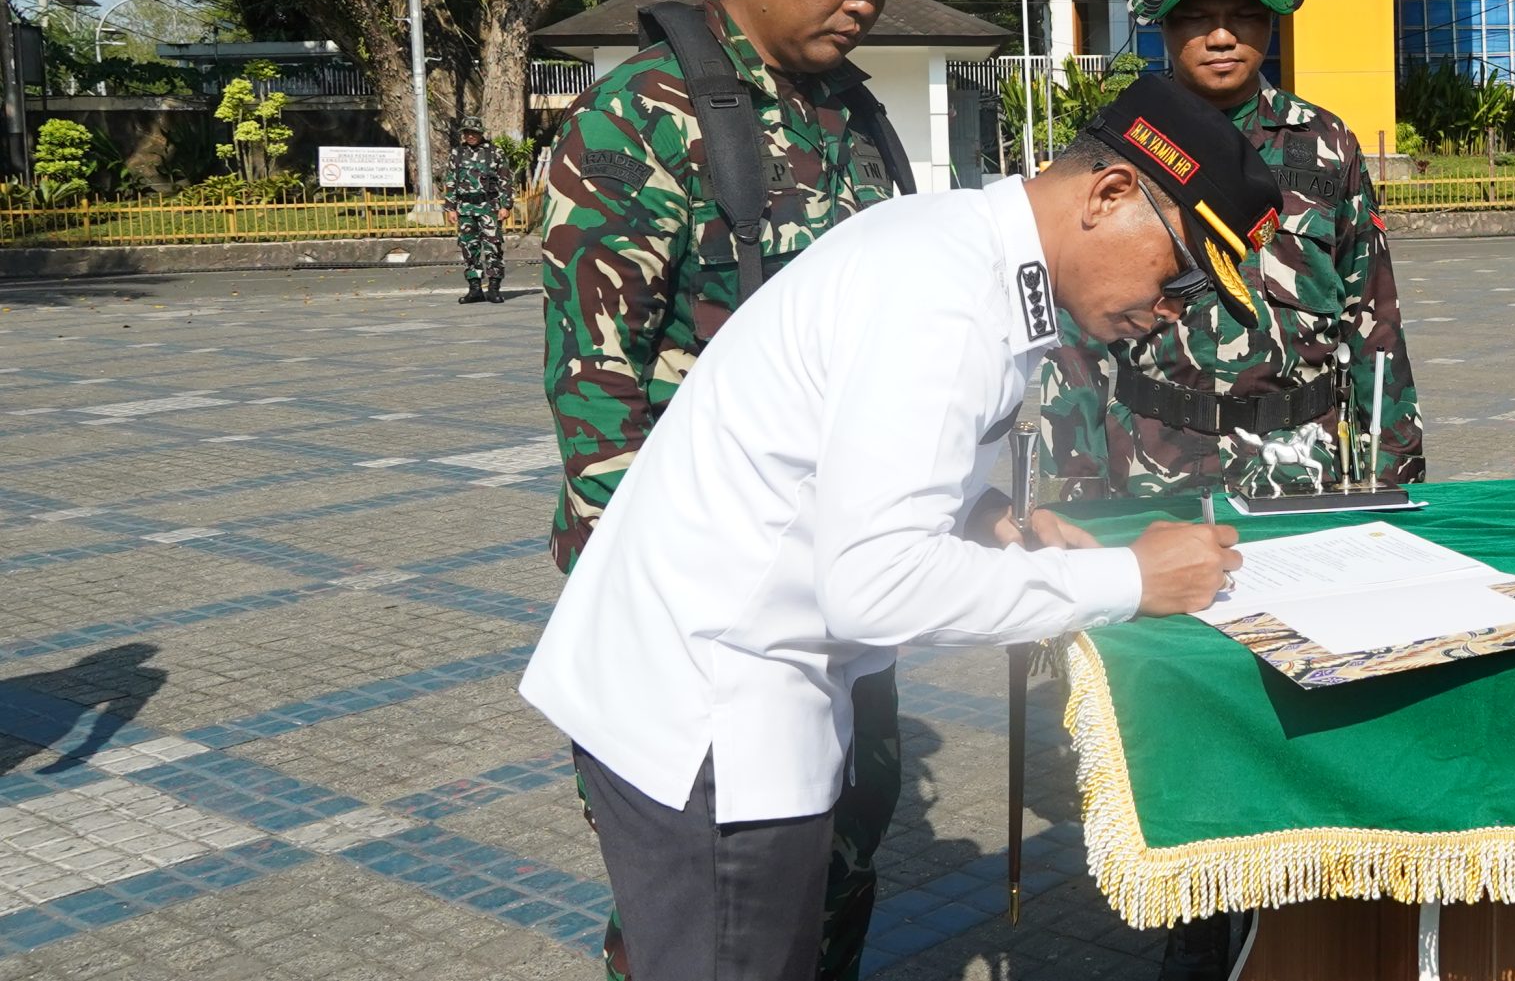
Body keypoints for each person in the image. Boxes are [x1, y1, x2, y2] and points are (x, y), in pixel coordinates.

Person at [522, 75, 1279, 981]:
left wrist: (982, 513)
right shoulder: (948, 297)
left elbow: (836, 449)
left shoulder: (957, 250)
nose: (1173, 309)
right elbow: (876, 585)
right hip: (715, 718)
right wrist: (1131, 579)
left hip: (709, 685)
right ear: (1109, 194)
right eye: (1180, 272)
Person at [538, 0, 928, 980]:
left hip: (835, 577)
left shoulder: (853, 117)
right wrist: (660, 610)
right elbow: (595, 389)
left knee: (840, 853)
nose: (863, 2)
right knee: (695, 898)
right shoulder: (644, 116)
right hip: (693, 596)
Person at [1034, 0, 1425, 979]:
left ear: (1271, 25)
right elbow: (1070, 332)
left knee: (1307, 688)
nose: (1220, 34)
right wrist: (1073, 487)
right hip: (1158, 463)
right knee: (1187, 705)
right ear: (1161, 28)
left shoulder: (1324, 144)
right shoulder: (1113, 148)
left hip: (1299, 463)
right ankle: (1199, 920)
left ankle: (1304, 913)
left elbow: (1375, 317)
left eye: (1241, 15)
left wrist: (1392, 468)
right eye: (1196, 16)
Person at [443, 115, 511, 303]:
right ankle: (475, 288)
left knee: (493, 247)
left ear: (480, 133)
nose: (470, 136)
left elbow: (505, 180)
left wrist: (505, 205)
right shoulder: (457, 153)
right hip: (465, 208)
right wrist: (450, 207)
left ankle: (494, 288)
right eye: (467, 133)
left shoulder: (495, 152)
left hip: (489, 207)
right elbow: (451, 181)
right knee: (468, 248)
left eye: (474, 132)